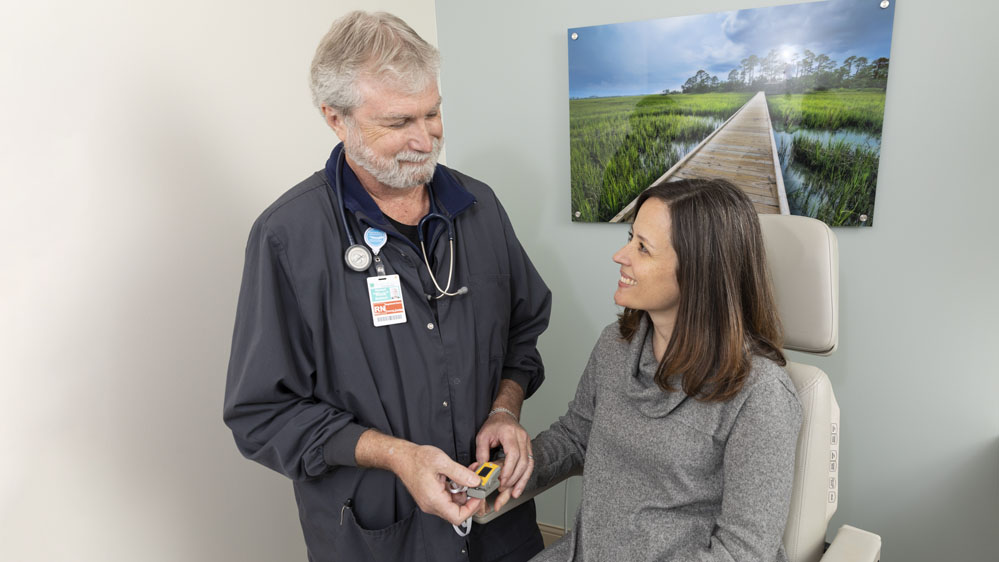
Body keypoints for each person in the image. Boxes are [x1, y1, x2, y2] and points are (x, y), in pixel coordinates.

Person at [223, 11, 550, 562]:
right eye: (399, 122)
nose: (425, 139)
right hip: (380, 534)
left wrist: (505, 410)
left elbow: (523, 331)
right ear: (335, 118)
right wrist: (398, 456)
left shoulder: (479, 209)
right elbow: (263, 412)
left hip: (496, 525)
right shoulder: (289, 237)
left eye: (433, 112)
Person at [508, 178, 801, 561]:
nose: (620, 255)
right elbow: (575, 437)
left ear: (699, 271)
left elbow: (743, 553)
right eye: (631, 237)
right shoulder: (615, 346)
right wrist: (504, 474)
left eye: (643, 248)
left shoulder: (761, 395)